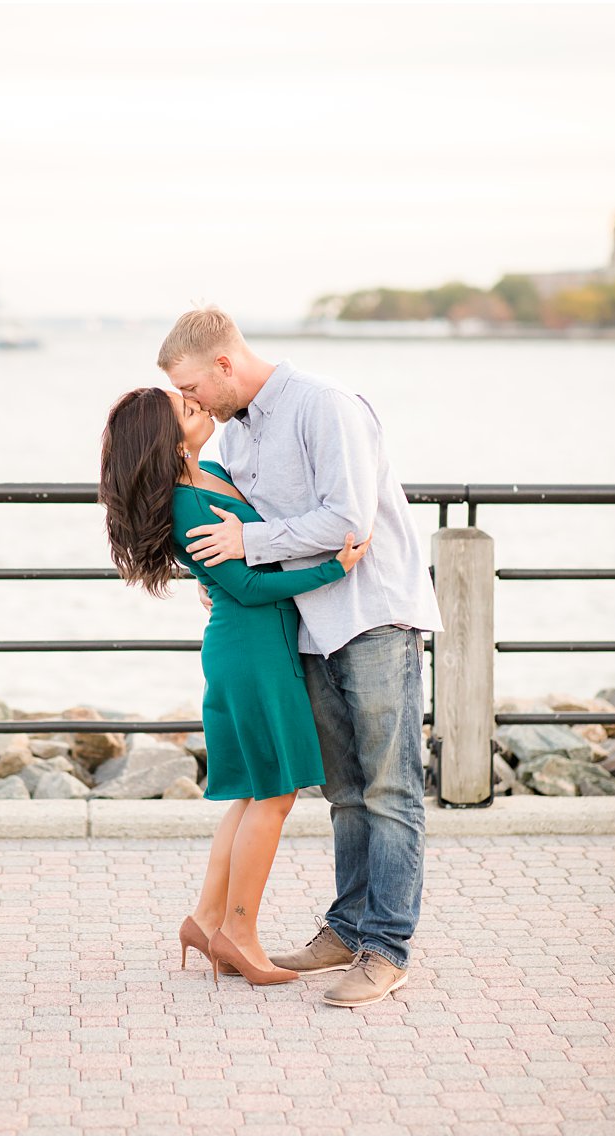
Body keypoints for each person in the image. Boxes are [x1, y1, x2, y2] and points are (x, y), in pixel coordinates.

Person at [159, 305, 442, 1008]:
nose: (190, 402)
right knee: (345, 792)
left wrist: (248, 548)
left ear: (224, 364)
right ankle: (347, 928)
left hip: (372, 615)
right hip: (307, 628)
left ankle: (386, 947)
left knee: (390, 788)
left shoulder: (324, 405)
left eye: (192, 386)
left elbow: (348, 520)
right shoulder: (236, 438)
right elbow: (234, 526)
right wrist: (221, 569)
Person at [101, 386, 368, 985]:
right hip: (250, 653)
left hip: (260, 648)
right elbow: (245, 587)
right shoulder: (185, 502)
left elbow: (254, 546)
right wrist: (335, 568)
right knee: (273, 794)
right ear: (165, 439)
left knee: (253, 791)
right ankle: (240, 935)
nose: (196, 406)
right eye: (183, 408)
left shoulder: (215, 472)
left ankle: (207, 920)